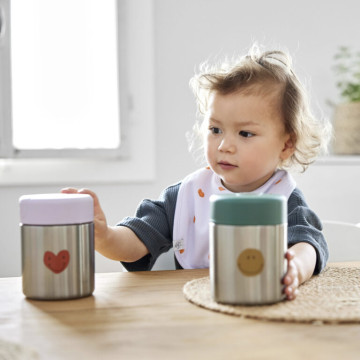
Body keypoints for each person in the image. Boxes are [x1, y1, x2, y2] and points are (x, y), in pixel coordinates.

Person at [62, 45, 331, 301]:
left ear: (286, 144)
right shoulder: (186, 195)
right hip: (191, 310)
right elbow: (136, 242)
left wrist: (294, 268)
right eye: (215, 130)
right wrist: (104, 237)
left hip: (259, 303)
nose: (224, 146)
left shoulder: (285, 199)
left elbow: (308, 245)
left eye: (245, 133)